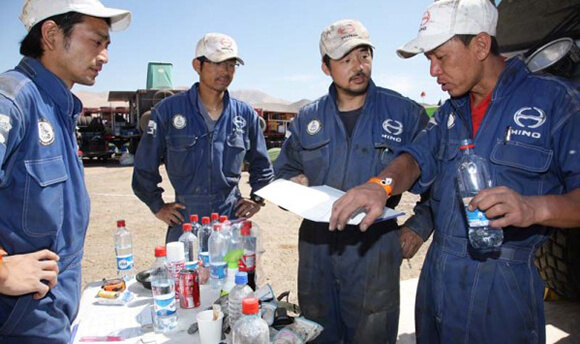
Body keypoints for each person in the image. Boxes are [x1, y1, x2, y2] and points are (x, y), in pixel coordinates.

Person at [330, 1, 580, 343]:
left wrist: (535, 208)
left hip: (504, 289)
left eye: (441, 57)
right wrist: (380, 186)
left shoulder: (557, 102)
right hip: (438, 281)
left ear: (480, 45)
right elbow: (414, 158)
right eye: (428, 59)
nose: (433, 71)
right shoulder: (449, 113)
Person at [273, 19, 433, 343]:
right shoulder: (308, 119)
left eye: (364, 55)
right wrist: (294, 182)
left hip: (373, 250)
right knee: (317, 334)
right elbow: (283, 171)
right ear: (325, 67)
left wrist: (420, 226)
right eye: (346, 60)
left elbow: (440, 180)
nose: (358, 67)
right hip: (316, 251)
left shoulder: (405, 114)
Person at [0, 0, 131, 342]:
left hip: (55, 315)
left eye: (106, 45)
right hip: (19, 325)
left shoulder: (58, 107)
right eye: (96, 42)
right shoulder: (12, 102)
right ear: (51, 34)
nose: (104, 57)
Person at [132, 33, 274, 243]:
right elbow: (144, 167)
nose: (225, 71)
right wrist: (158, 207)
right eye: (217, 63)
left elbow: (262, 164)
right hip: (186, 223)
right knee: (185, 276)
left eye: (231, 64)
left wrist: (257, 199)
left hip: (231, 222)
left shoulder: (244, 116)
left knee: (235, 275)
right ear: (197, 65)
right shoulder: (168, 111)